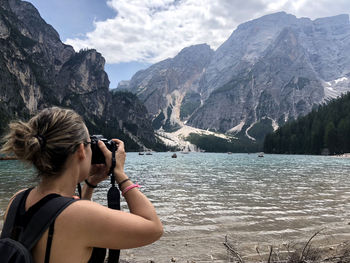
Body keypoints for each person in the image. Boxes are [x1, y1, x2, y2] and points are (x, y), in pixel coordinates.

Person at [0, 107, 163, 262]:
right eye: (90, 143)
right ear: (80, 150)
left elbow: (63, 214)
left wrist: (89, 185)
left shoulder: (17, 200)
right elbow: (154, 228)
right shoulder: (80, 215)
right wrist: (120, 173)